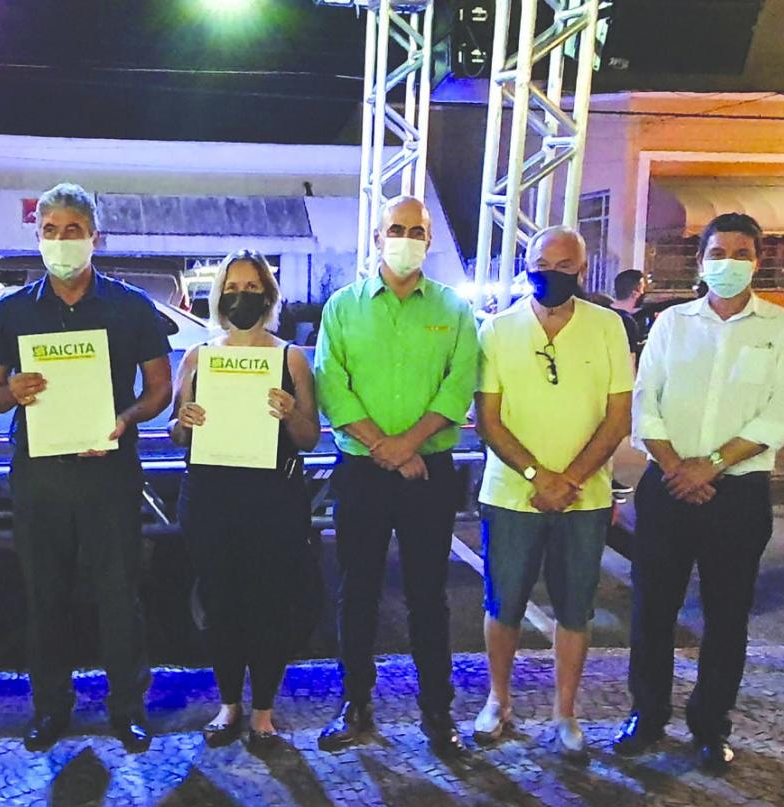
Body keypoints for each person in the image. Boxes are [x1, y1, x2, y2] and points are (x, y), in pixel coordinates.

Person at [0, 183, 173, 754]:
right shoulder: (11, 310)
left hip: (108, 469)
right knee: (45, 596)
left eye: (72, 231)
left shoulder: (130, 306)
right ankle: (50, 708)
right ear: (36, 236)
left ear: (94, 236)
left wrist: (125, 418)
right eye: (49, 231)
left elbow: (158, 389)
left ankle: (128, 708)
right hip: (39, 473)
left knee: (119, 593)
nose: (61, 241)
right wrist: (10, 390)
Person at [615, 213, 784, 774]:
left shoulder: (781, 328)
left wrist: (713, 466)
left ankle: (709, 726)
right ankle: (646, 716)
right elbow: (645, 403)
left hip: (739, 494)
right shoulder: (672, 324)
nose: (728, 262)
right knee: (652, 609)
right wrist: (677, 467)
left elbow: (781, 412)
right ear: (701, 259)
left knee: (727, 616)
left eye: (740, 251)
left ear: (758, 259)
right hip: (667, 487)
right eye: (717, 251)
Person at [313, 195, 481, 757]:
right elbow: (331, 384)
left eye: (416, 230)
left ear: (429, 241)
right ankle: (355, 705)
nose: (405, 238)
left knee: (428, 596)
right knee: (356, 593)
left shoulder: (454, 310)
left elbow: (459, 385)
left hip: (426, 471)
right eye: (396, 228)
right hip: (361, 469)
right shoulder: (342, 307)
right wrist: (383, 448)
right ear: (378, 236)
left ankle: (437, 712)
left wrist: (407, 445)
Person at [471, 228, 633, 756]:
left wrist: (572, 479)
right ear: (525, 263)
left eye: (565, 265)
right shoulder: (496, 329)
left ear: (582, 271)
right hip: (512, 494)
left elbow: (617, 417)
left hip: (585, 499)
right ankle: (498, 700)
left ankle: (566, 712)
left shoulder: (609, 328)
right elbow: (488, 420)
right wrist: (539, 477)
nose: (553, 273)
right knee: (504, 604)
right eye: (542, 263)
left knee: (574, 608)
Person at [170, 250, 320, 754]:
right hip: (210, 497)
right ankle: (229, 704)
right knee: (219, 604)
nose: (242, 296)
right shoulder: (198, 357)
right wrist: (184, 420)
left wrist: (291, 411)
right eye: (233, 287)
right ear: (218, 297)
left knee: (269, 605)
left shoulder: (291, 358)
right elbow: (175, 432)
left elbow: (310, 437)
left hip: (273, 498)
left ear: (269, 295)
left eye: (253, 288)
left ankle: (263, 712)